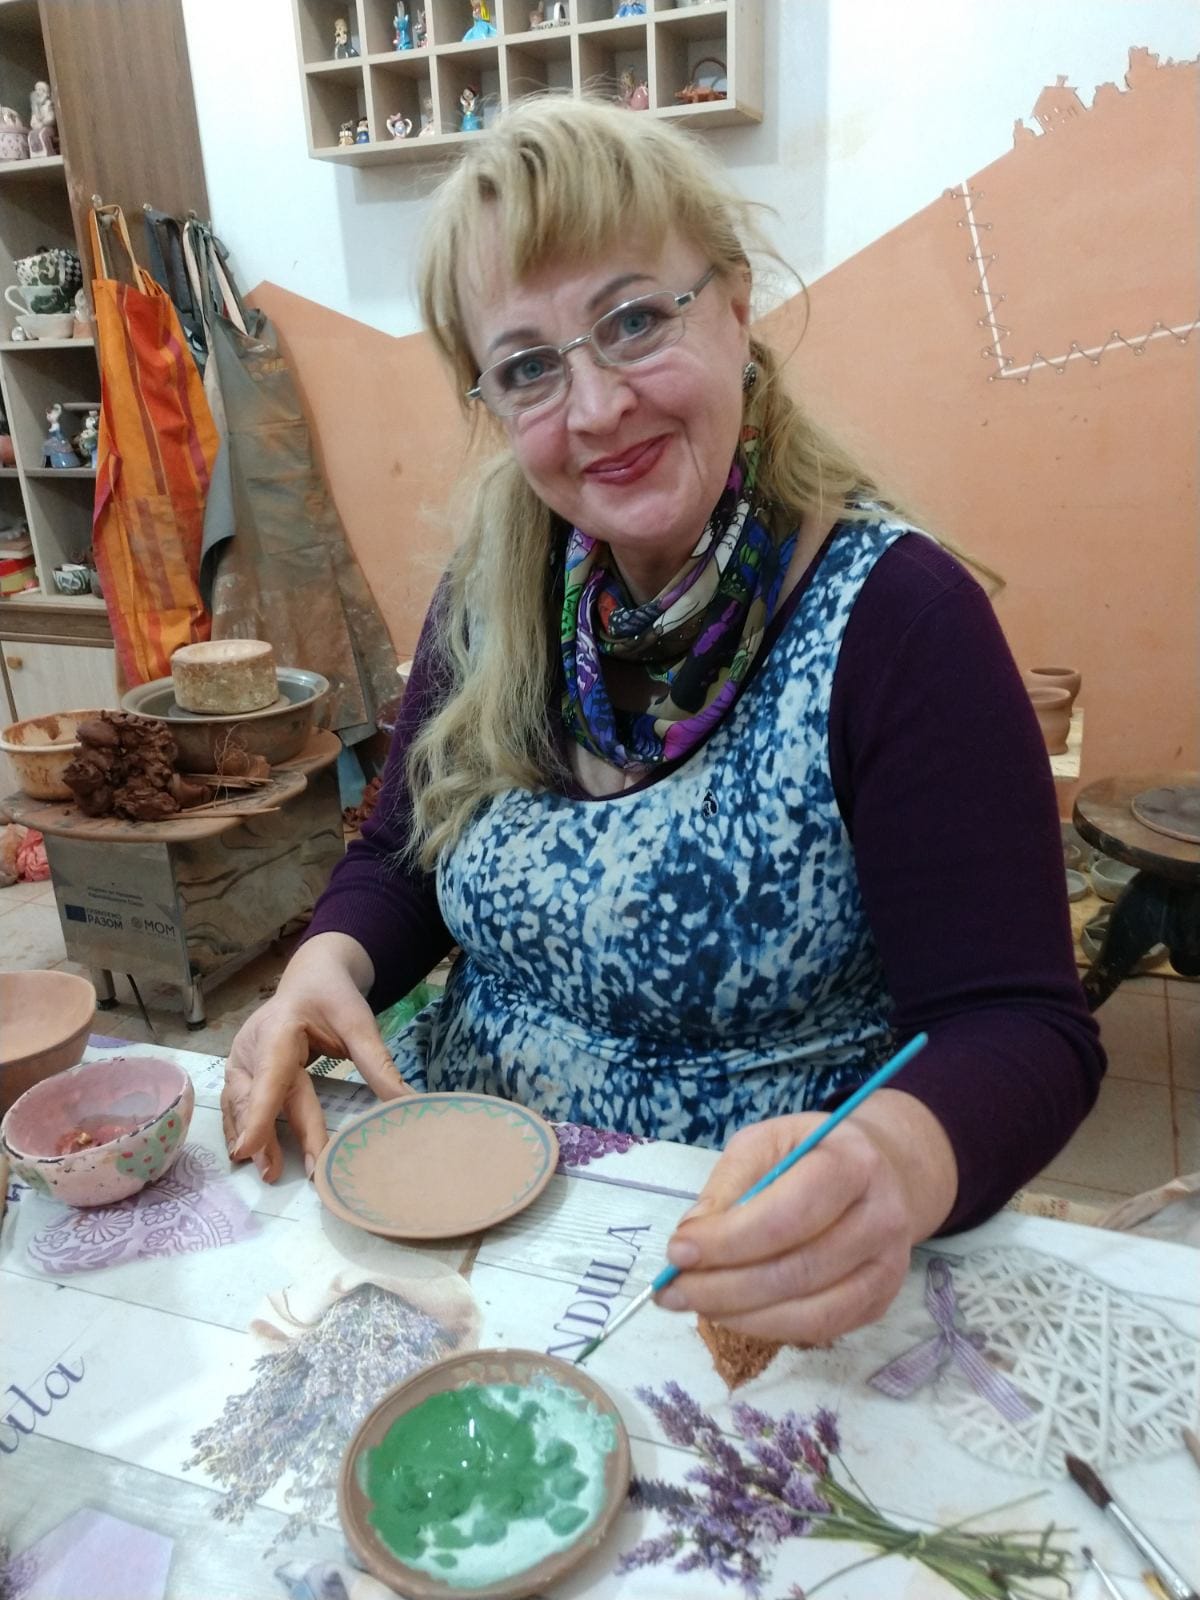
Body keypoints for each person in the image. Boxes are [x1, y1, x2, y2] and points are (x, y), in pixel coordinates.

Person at [223, 97, 1104, 1348]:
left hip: (745, 1283)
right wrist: (329, 962)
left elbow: (1020, 1027)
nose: (594, 406)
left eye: (634, 320)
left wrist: (896, 1163)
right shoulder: (495, 592)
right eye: (529, 366)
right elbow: (405, 856)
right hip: (457, 1233)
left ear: (736, 307)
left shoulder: (899, 624)